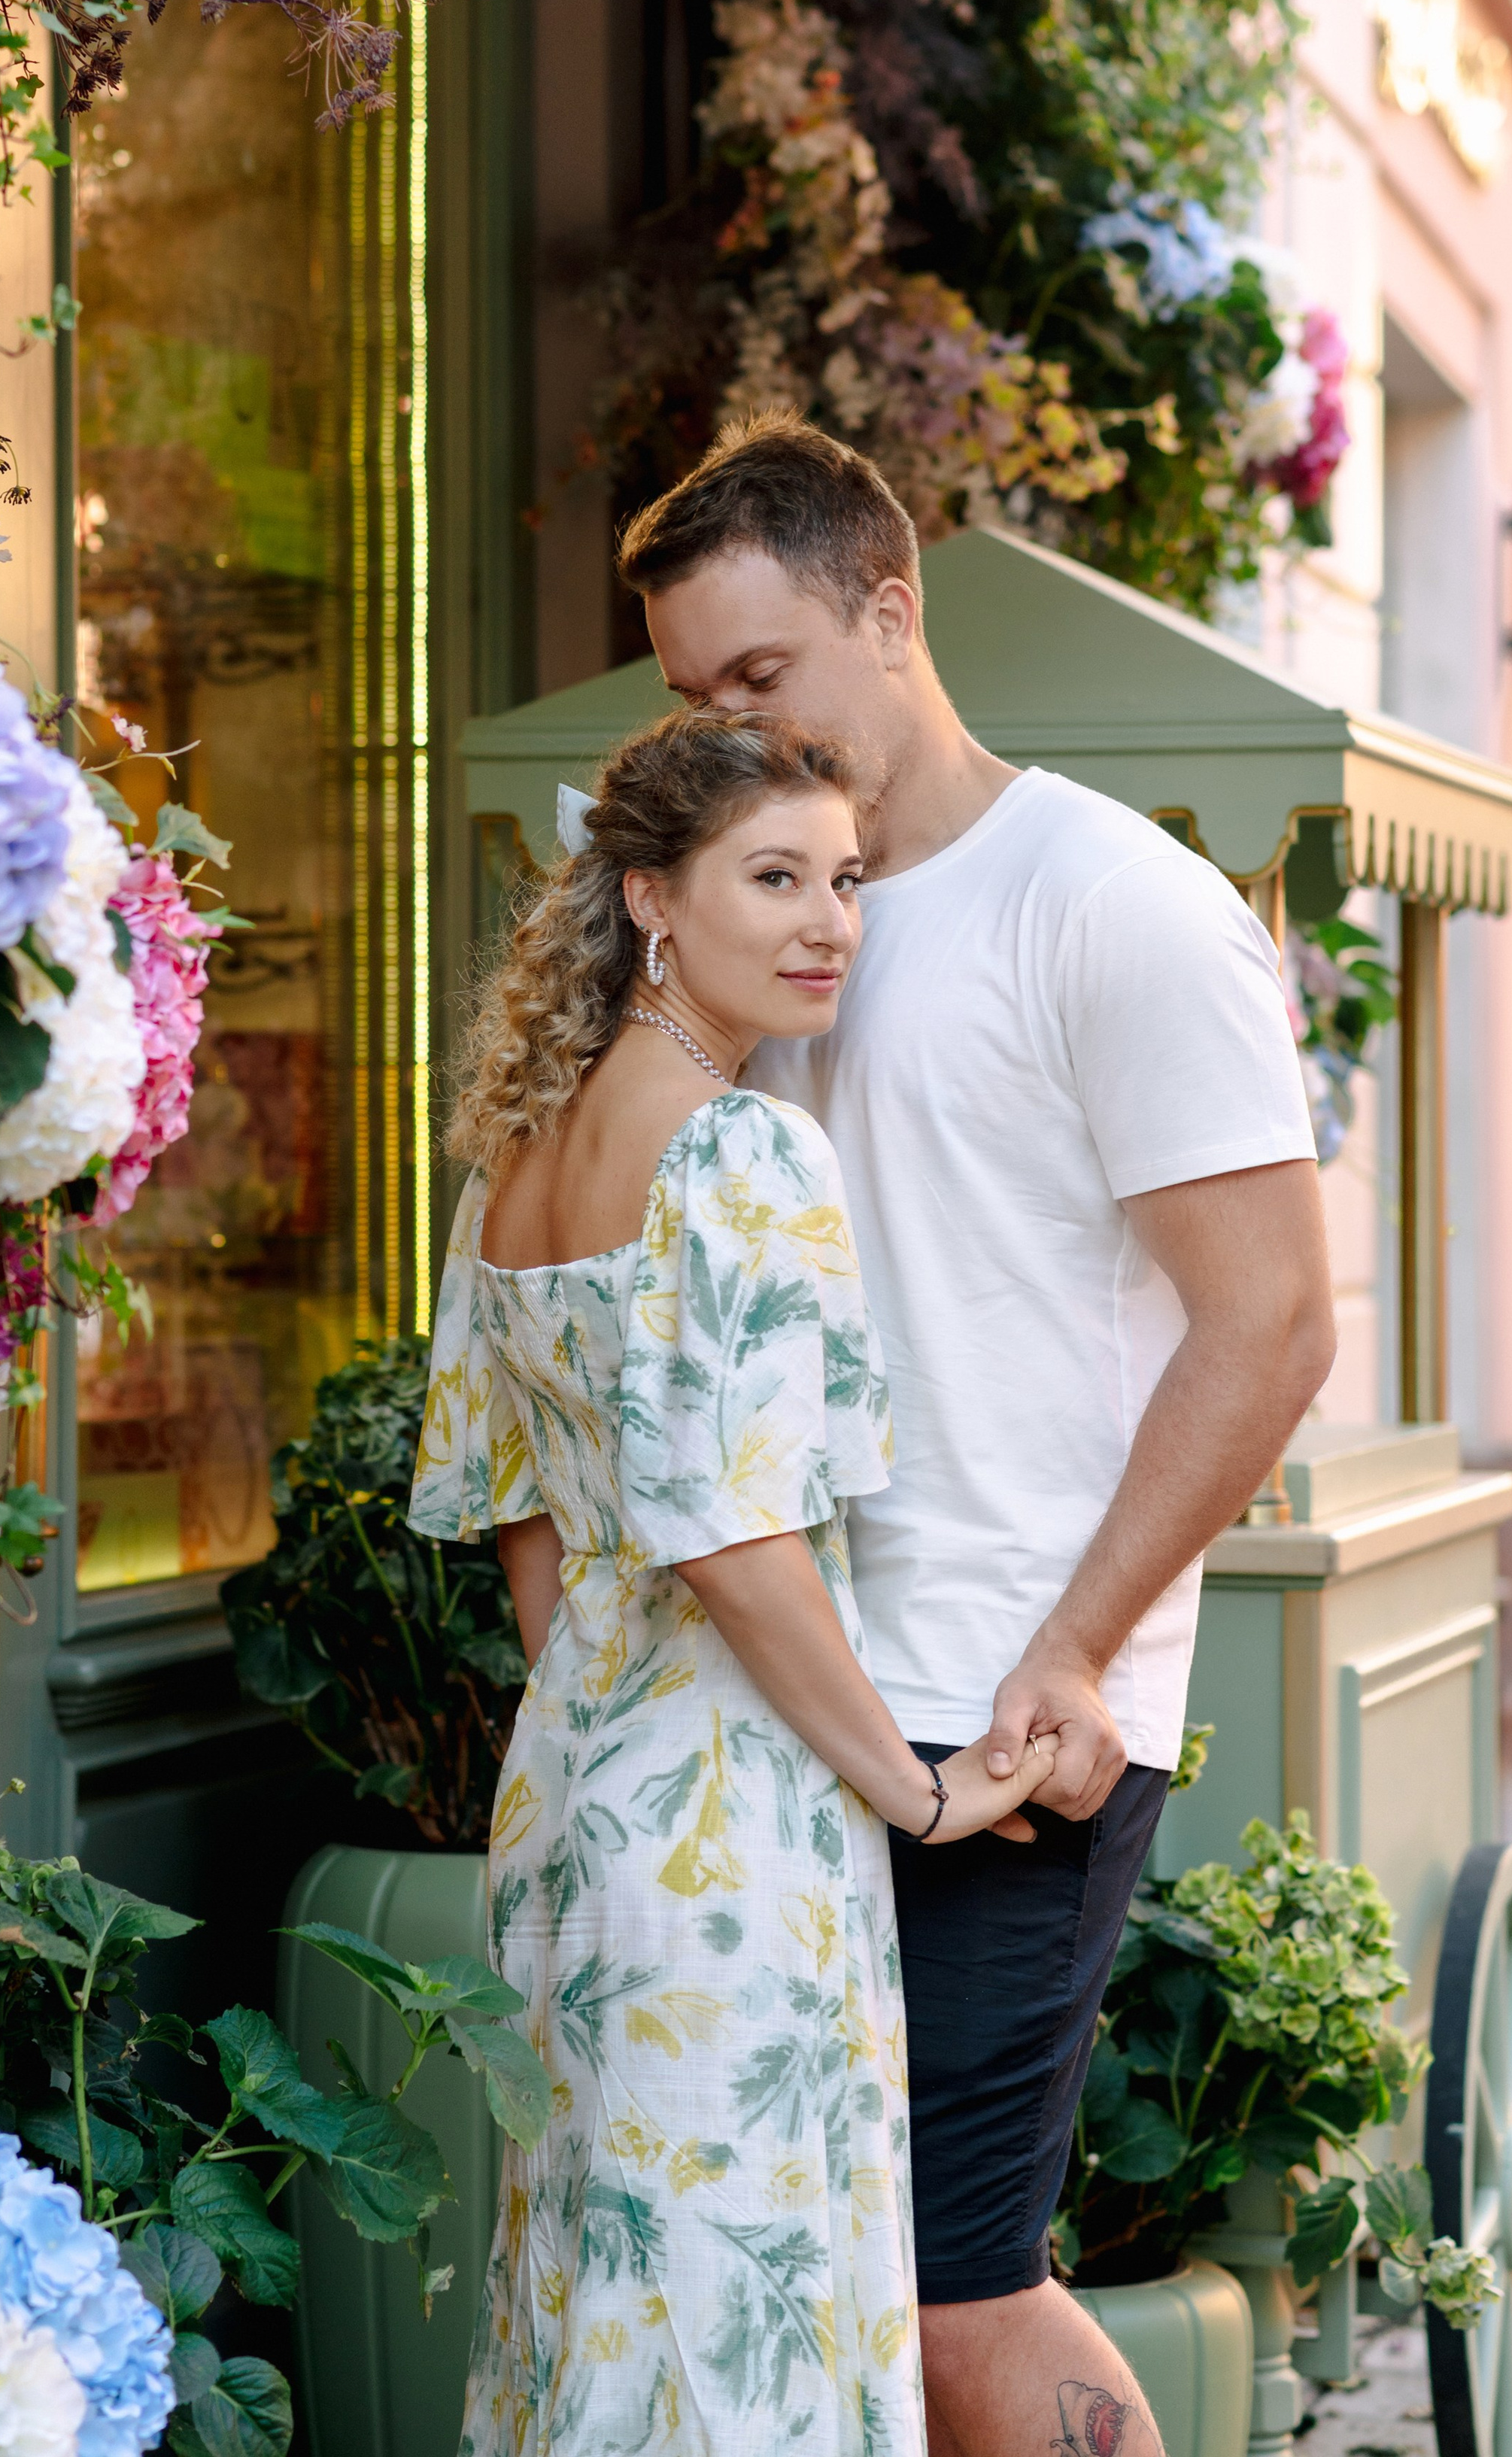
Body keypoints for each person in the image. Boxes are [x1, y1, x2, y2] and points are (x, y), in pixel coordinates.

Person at [618, 410, 1337, 2457]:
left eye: (761, 680)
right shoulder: (753, 915)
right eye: (693, 702)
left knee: (956, 2292)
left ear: (893, 610)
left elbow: (1269, 1325)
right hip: (781, 1694)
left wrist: (1077, 1648)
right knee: (833, 2281)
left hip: (1007, 1711)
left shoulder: (1113, 901)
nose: (729, 729)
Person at [408, 708, 1059, 2457]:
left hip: (573, 1801)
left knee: (604, 2298)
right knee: (734, 2322)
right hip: (731, 1829)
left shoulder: (514, 1164)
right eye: (772, 877)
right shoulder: (742, 1151)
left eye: (843, 878)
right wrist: (911, 1791)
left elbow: (530, 1524)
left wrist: (599, 1742)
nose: (826, 919)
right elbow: (734, 1538)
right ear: (650, 901)